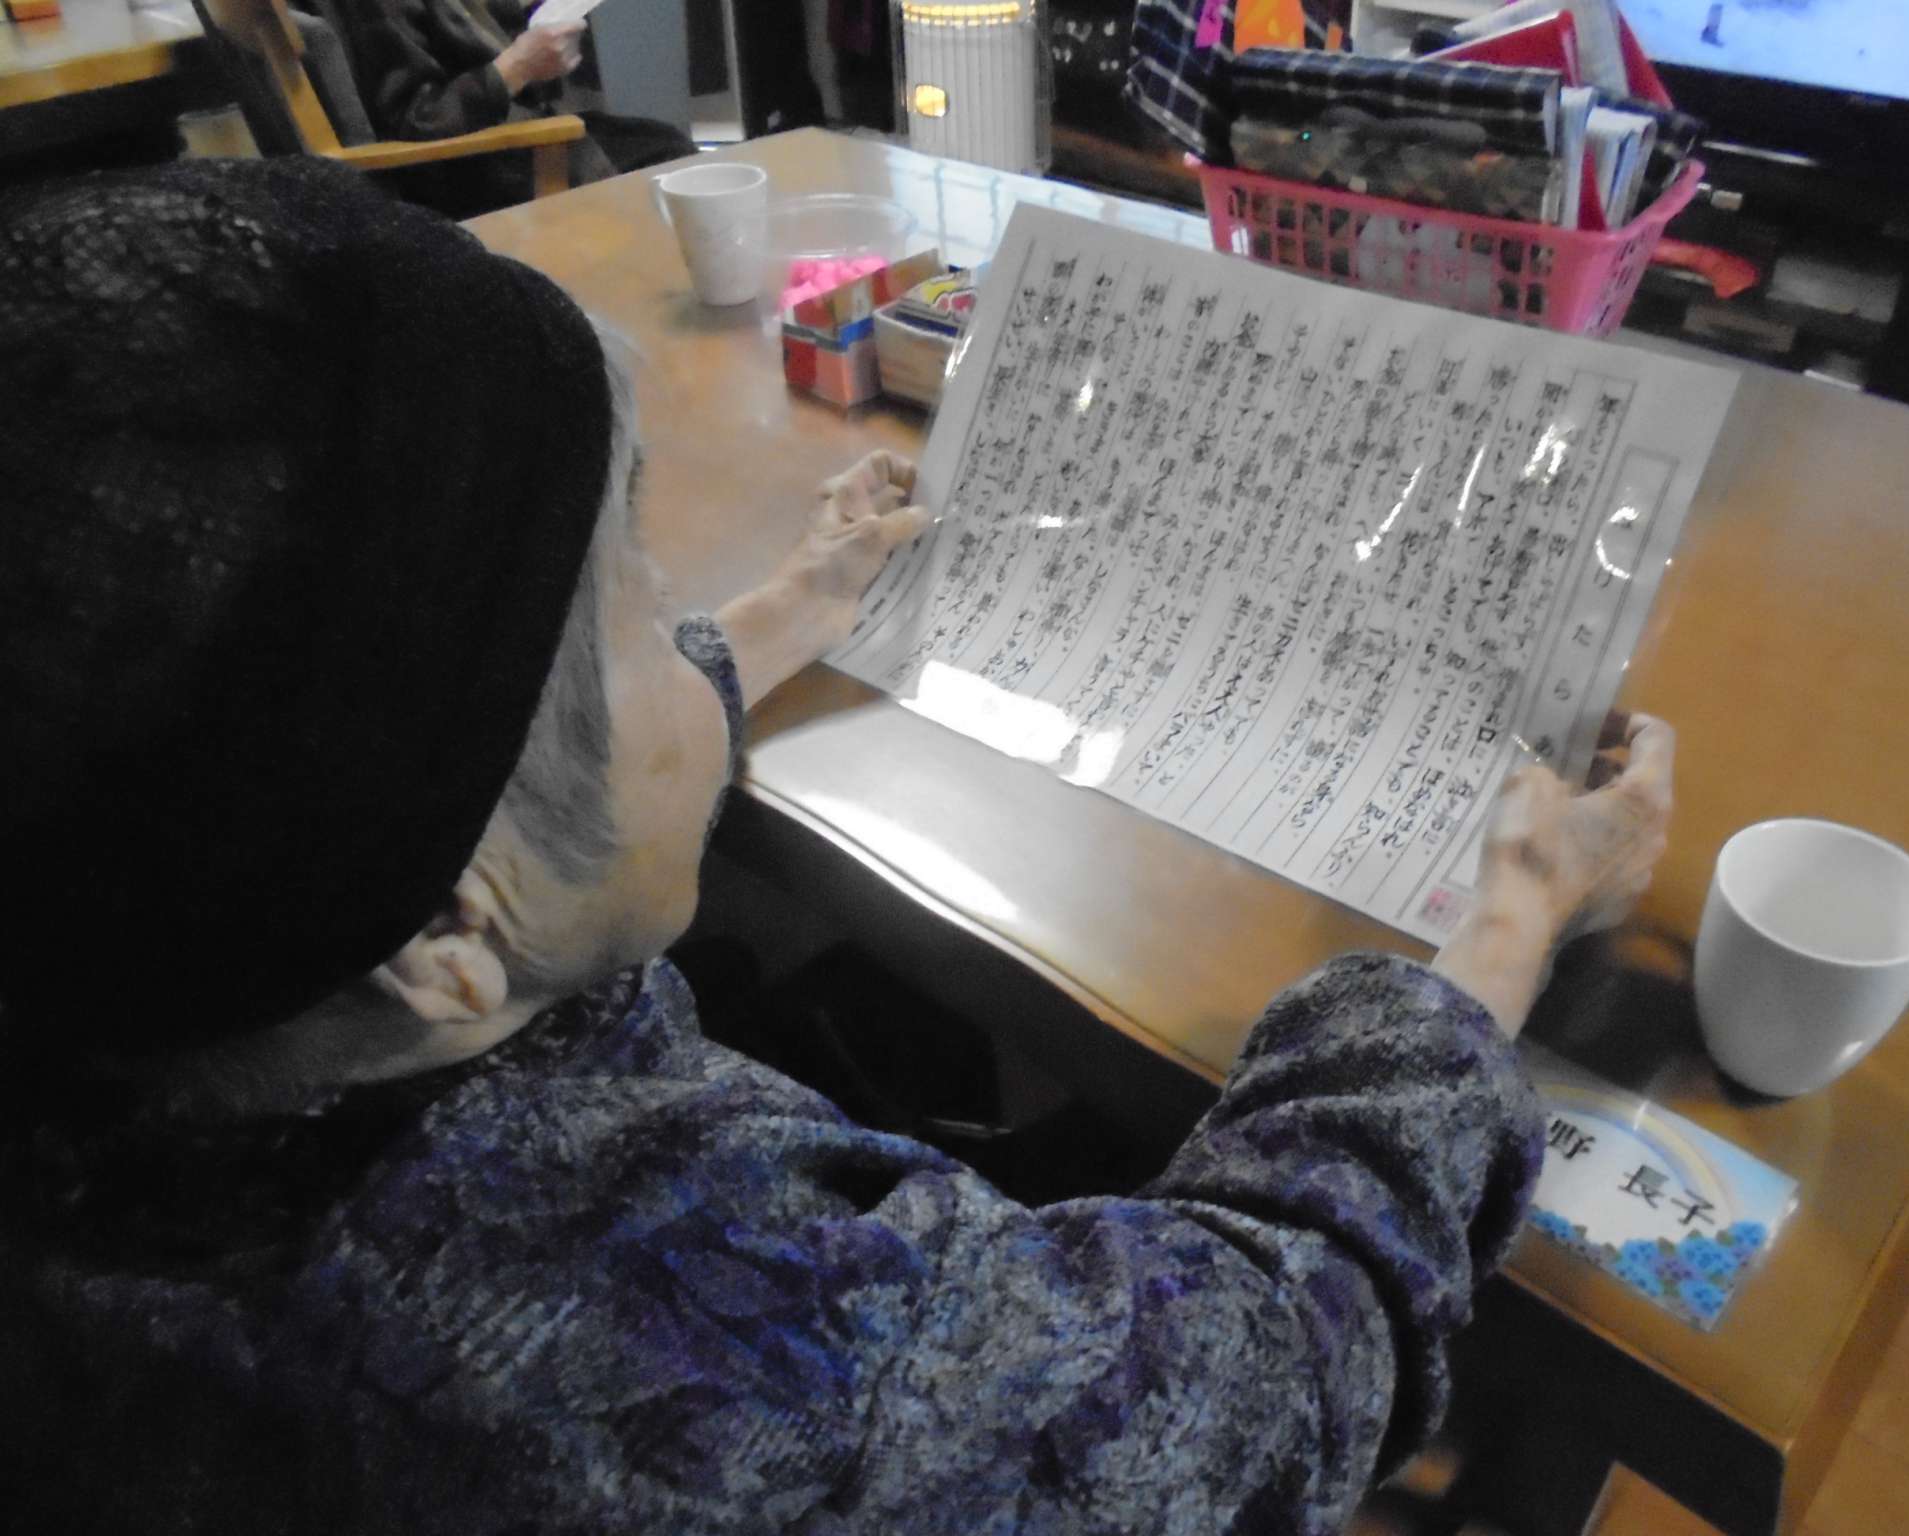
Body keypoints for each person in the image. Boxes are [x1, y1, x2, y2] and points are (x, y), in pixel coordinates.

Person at [0, 159, 1675, 1534]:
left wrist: (789, 610)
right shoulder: (705, 1370)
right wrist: (1504, 930)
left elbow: (478, 770)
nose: (679, 620)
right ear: (446, 940)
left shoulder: (149, 924)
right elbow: (1254, 1383)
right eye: (635, 604)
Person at [326, 0, 694, 214]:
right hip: (464, 170)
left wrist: (536, 39)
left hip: (506, 137)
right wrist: (518, 66)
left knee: (666, 145)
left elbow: (481, 55)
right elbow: (416, 123)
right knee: (670, 166)